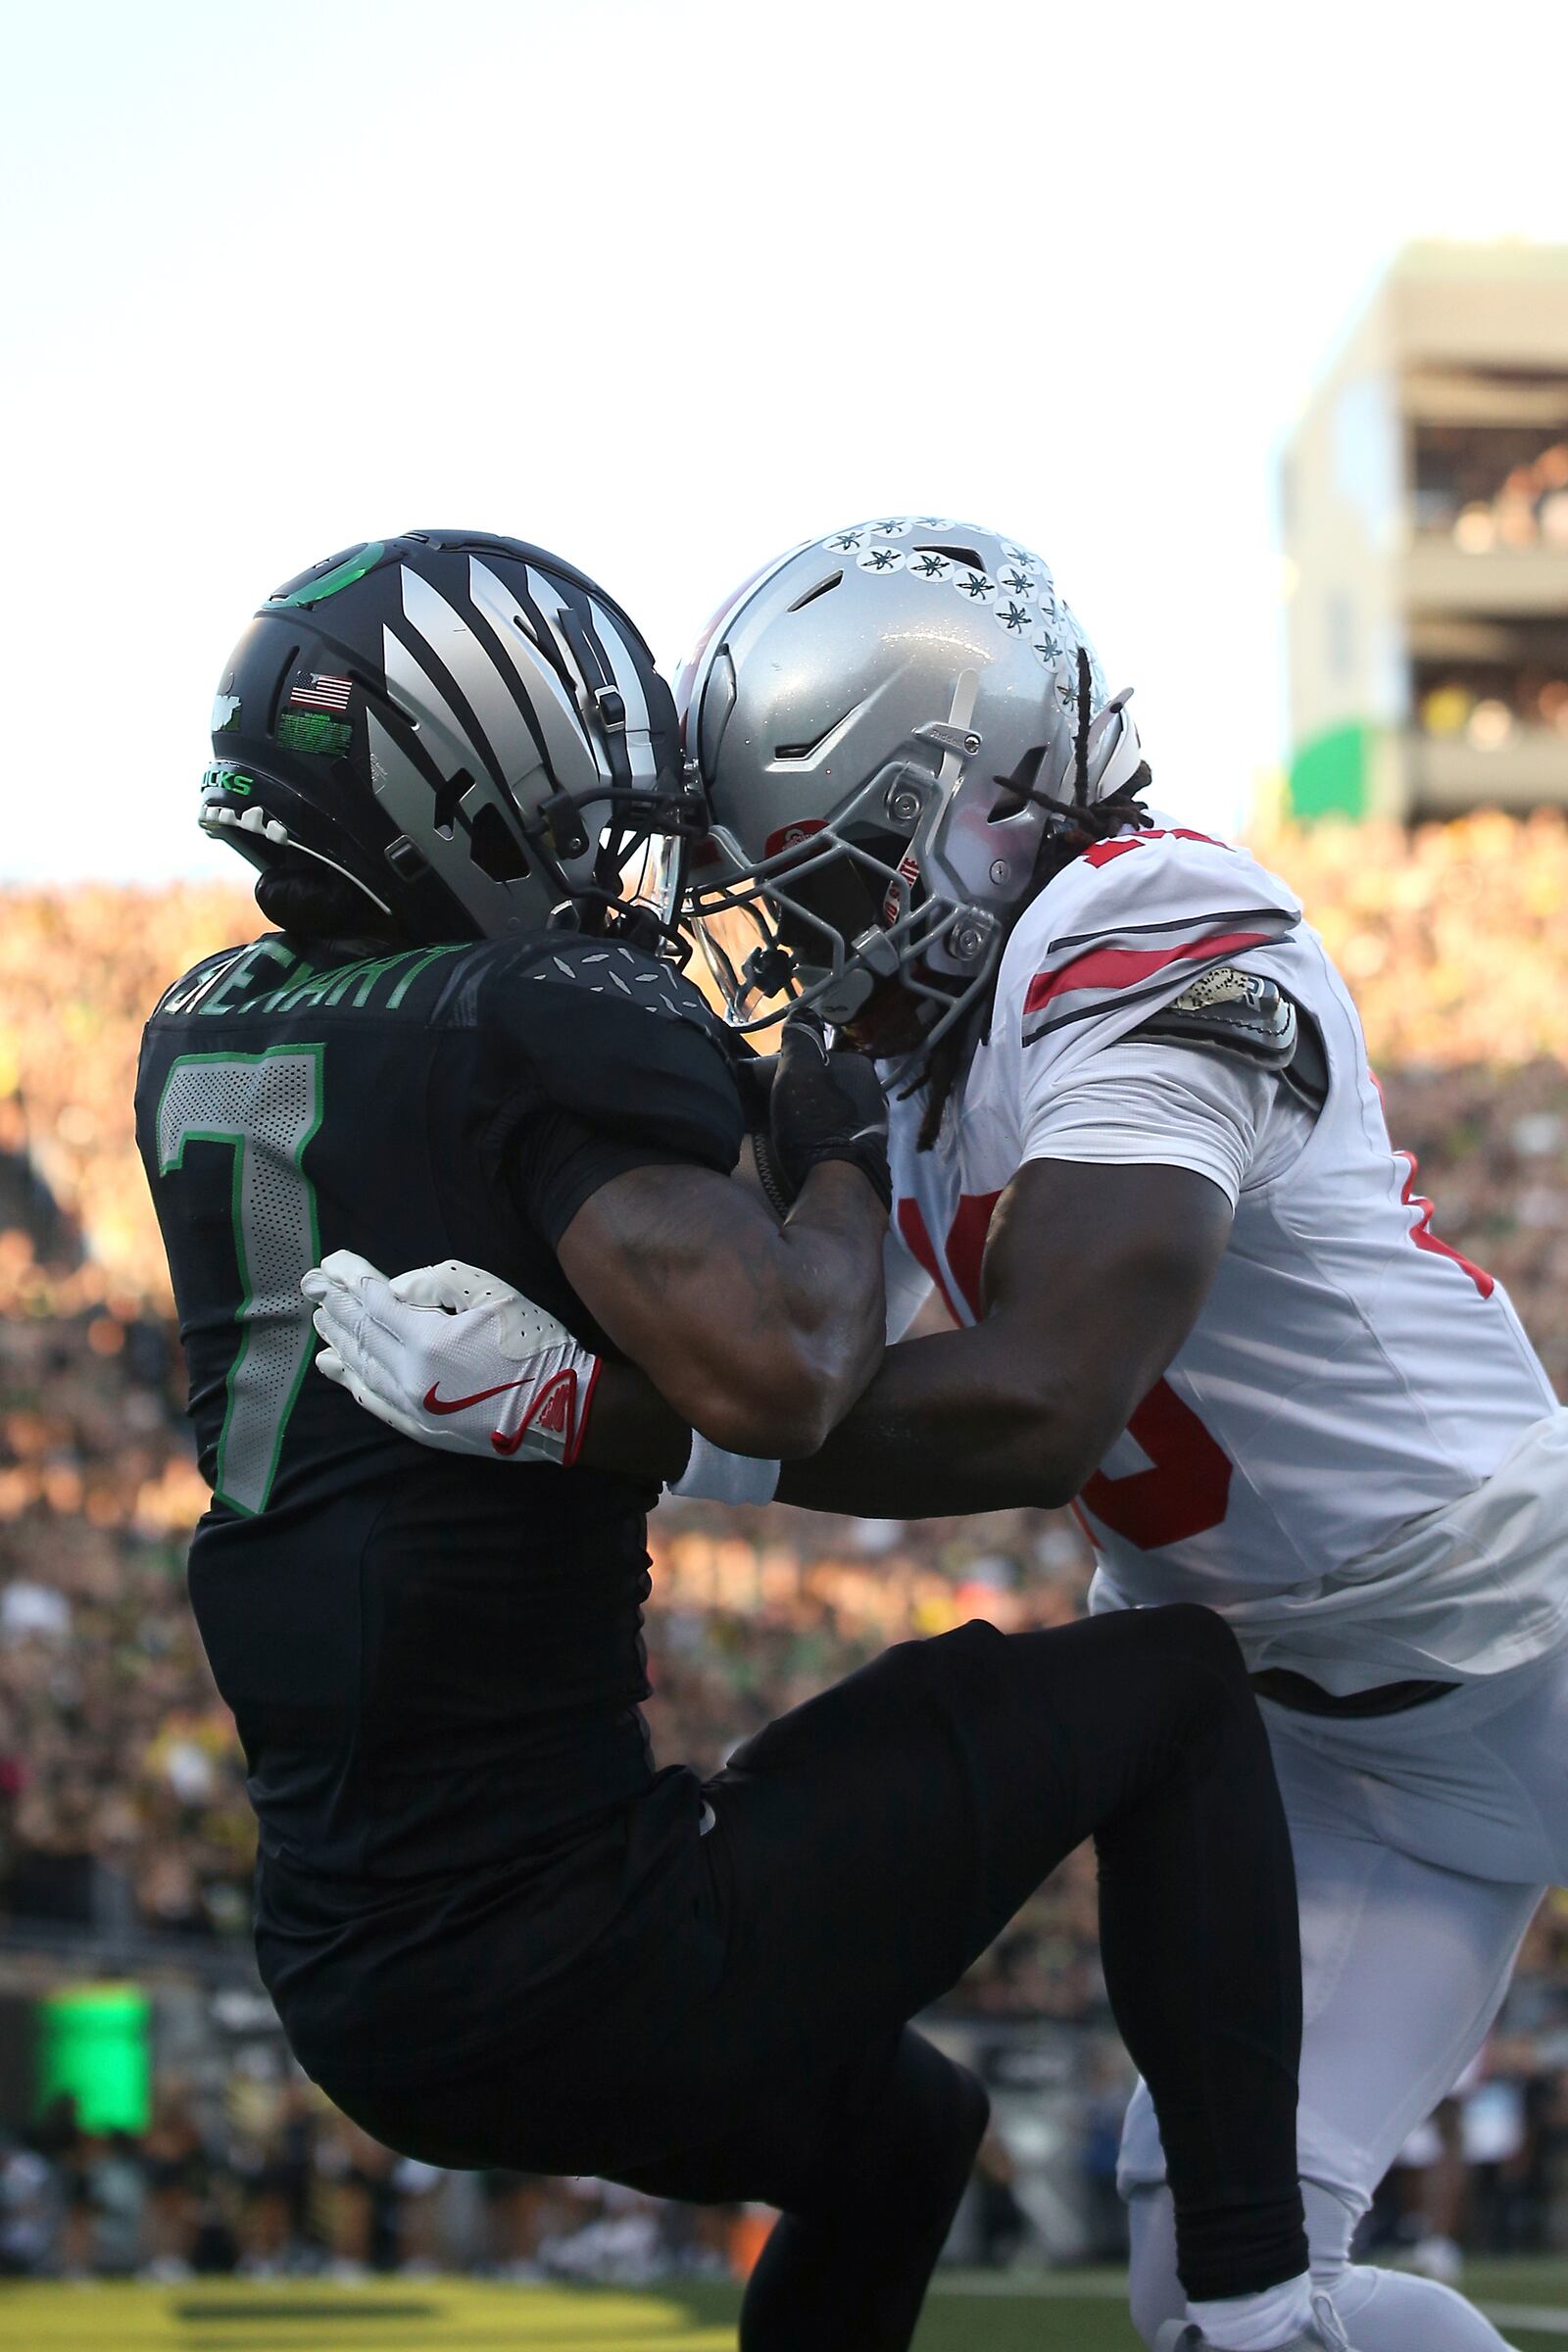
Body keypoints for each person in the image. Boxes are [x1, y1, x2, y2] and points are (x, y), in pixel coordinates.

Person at [323, 515, 1568, 2352]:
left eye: (814, 889)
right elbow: (773, 1326)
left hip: (1524, 1628)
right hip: (1328, 1748)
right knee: (1227, 2291)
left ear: (964, 801)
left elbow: (1044, 1392)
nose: (793, 950)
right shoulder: (930, 1059)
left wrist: (604, 1418)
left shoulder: (1145, 921)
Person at [142, 527, 1322, 2352]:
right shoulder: (518, 1015)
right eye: (574, 813)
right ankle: (1265, 2315)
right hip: (585, 1950)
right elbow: (779, 1372)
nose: (607, 872)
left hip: (348, 1958)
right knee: (1170, 1687)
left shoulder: (200, 1030)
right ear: (453, 779)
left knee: (902, 2131)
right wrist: (839, 1146)